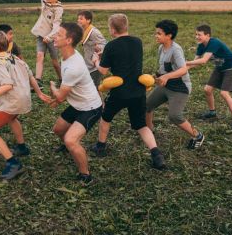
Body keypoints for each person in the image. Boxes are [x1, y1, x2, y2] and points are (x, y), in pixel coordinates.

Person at [91, 14, 166, 170]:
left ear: (112, 29)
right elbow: (125, 57)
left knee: (105, 118)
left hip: (119, 92)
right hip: (138, 91)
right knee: (141, 125)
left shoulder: (111, 46)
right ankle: (156, 154)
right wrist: (105, 54)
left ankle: (100, 146)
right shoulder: (137, 42)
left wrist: (96, 60)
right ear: (126, 26)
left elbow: (104, 71)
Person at [0, 30, 49, 180]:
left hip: (13, 100)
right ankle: (22, 147)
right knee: (12, 119)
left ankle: (13, 164)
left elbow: (7, 85)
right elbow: (30, 75)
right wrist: (39, 93)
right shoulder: (13, 57)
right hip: (22, 98)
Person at [49, 23, 103, 185]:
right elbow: (64, 95)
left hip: (91, 108)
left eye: (58, 34)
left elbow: (59, 97)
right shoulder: (67, 54)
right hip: (77, 104)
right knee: (58, 130)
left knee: (71, 140)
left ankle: (86, 175)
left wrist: (53, 87)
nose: (54, 36)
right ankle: (68, 148)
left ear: (69, 40)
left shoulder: (74, 67)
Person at [145, 20, 205, 149]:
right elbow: (164, 68)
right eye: (156, 33)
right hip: (166, 85)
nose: (156, 35)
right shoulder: (161, 47)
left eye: (159, 33)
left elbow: (183, 69)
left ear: (169, 35)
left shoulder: (176, 50)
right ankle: (149, 130)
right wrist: (156, 77)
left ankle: (198, 136)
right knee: (146, 106)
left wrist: (166, 76)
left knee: (174, 116)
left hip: (179, 88)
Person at [186, 24, 232, 128]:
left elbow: (203, 61)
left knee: (224, 93)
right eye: (196, 34)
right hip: (219, 67)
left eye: (199, 35)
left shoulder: (213, 43)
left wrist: (185, 63)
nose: (197, 37)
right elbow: (195, 62)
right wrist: (183, 68)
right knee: (207, 89)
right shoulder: (201, 45)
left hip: (231, 67)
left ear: (207, 35)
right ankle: (212, 112)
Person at [31, 0, 63, 88]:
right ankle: (38, 80)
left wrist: (49, 37)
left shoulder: (58, 10)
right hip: (41, 35)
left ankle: (61, 79)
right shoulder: (44, 3)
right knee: (40, 56)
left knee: (55, 62)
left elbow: (56, 25)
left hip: (52, 37)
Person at [76, 10, 107, 87]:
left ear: (88, 20)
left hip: (94, 67)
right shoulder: (82, 30)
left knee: (94, 89)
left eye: (81, 19)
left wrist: (99, 48)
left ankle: (100, 99)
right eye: (78, 18)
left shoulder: (94, 32)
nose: (78, 20)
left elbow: (104, 44)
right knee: (91, 89)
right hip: (86, 64)